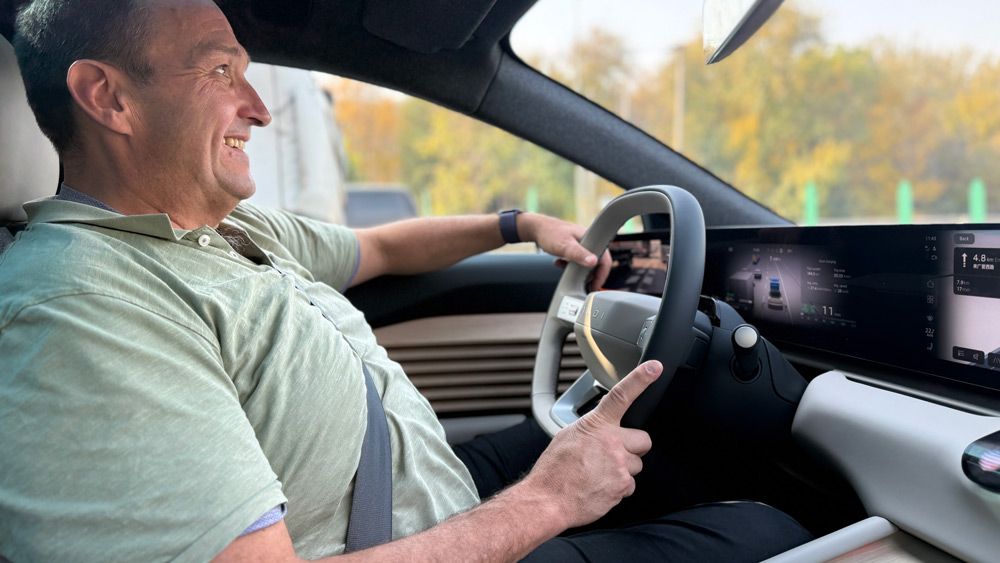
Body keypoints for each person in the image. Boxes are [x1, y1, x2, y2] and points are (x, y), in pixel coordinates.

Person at [0, 0, 812, 560]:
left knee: (664, 429)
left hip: (441, 490)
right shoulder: (80, 308)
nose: (258, 106)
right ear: (107, 97)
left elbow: (381, 248)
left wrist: (517, 226)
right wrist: (548, 503)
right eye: (219, 71)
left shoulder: (223, 233)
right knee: (768, 536)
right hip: (419, 538)